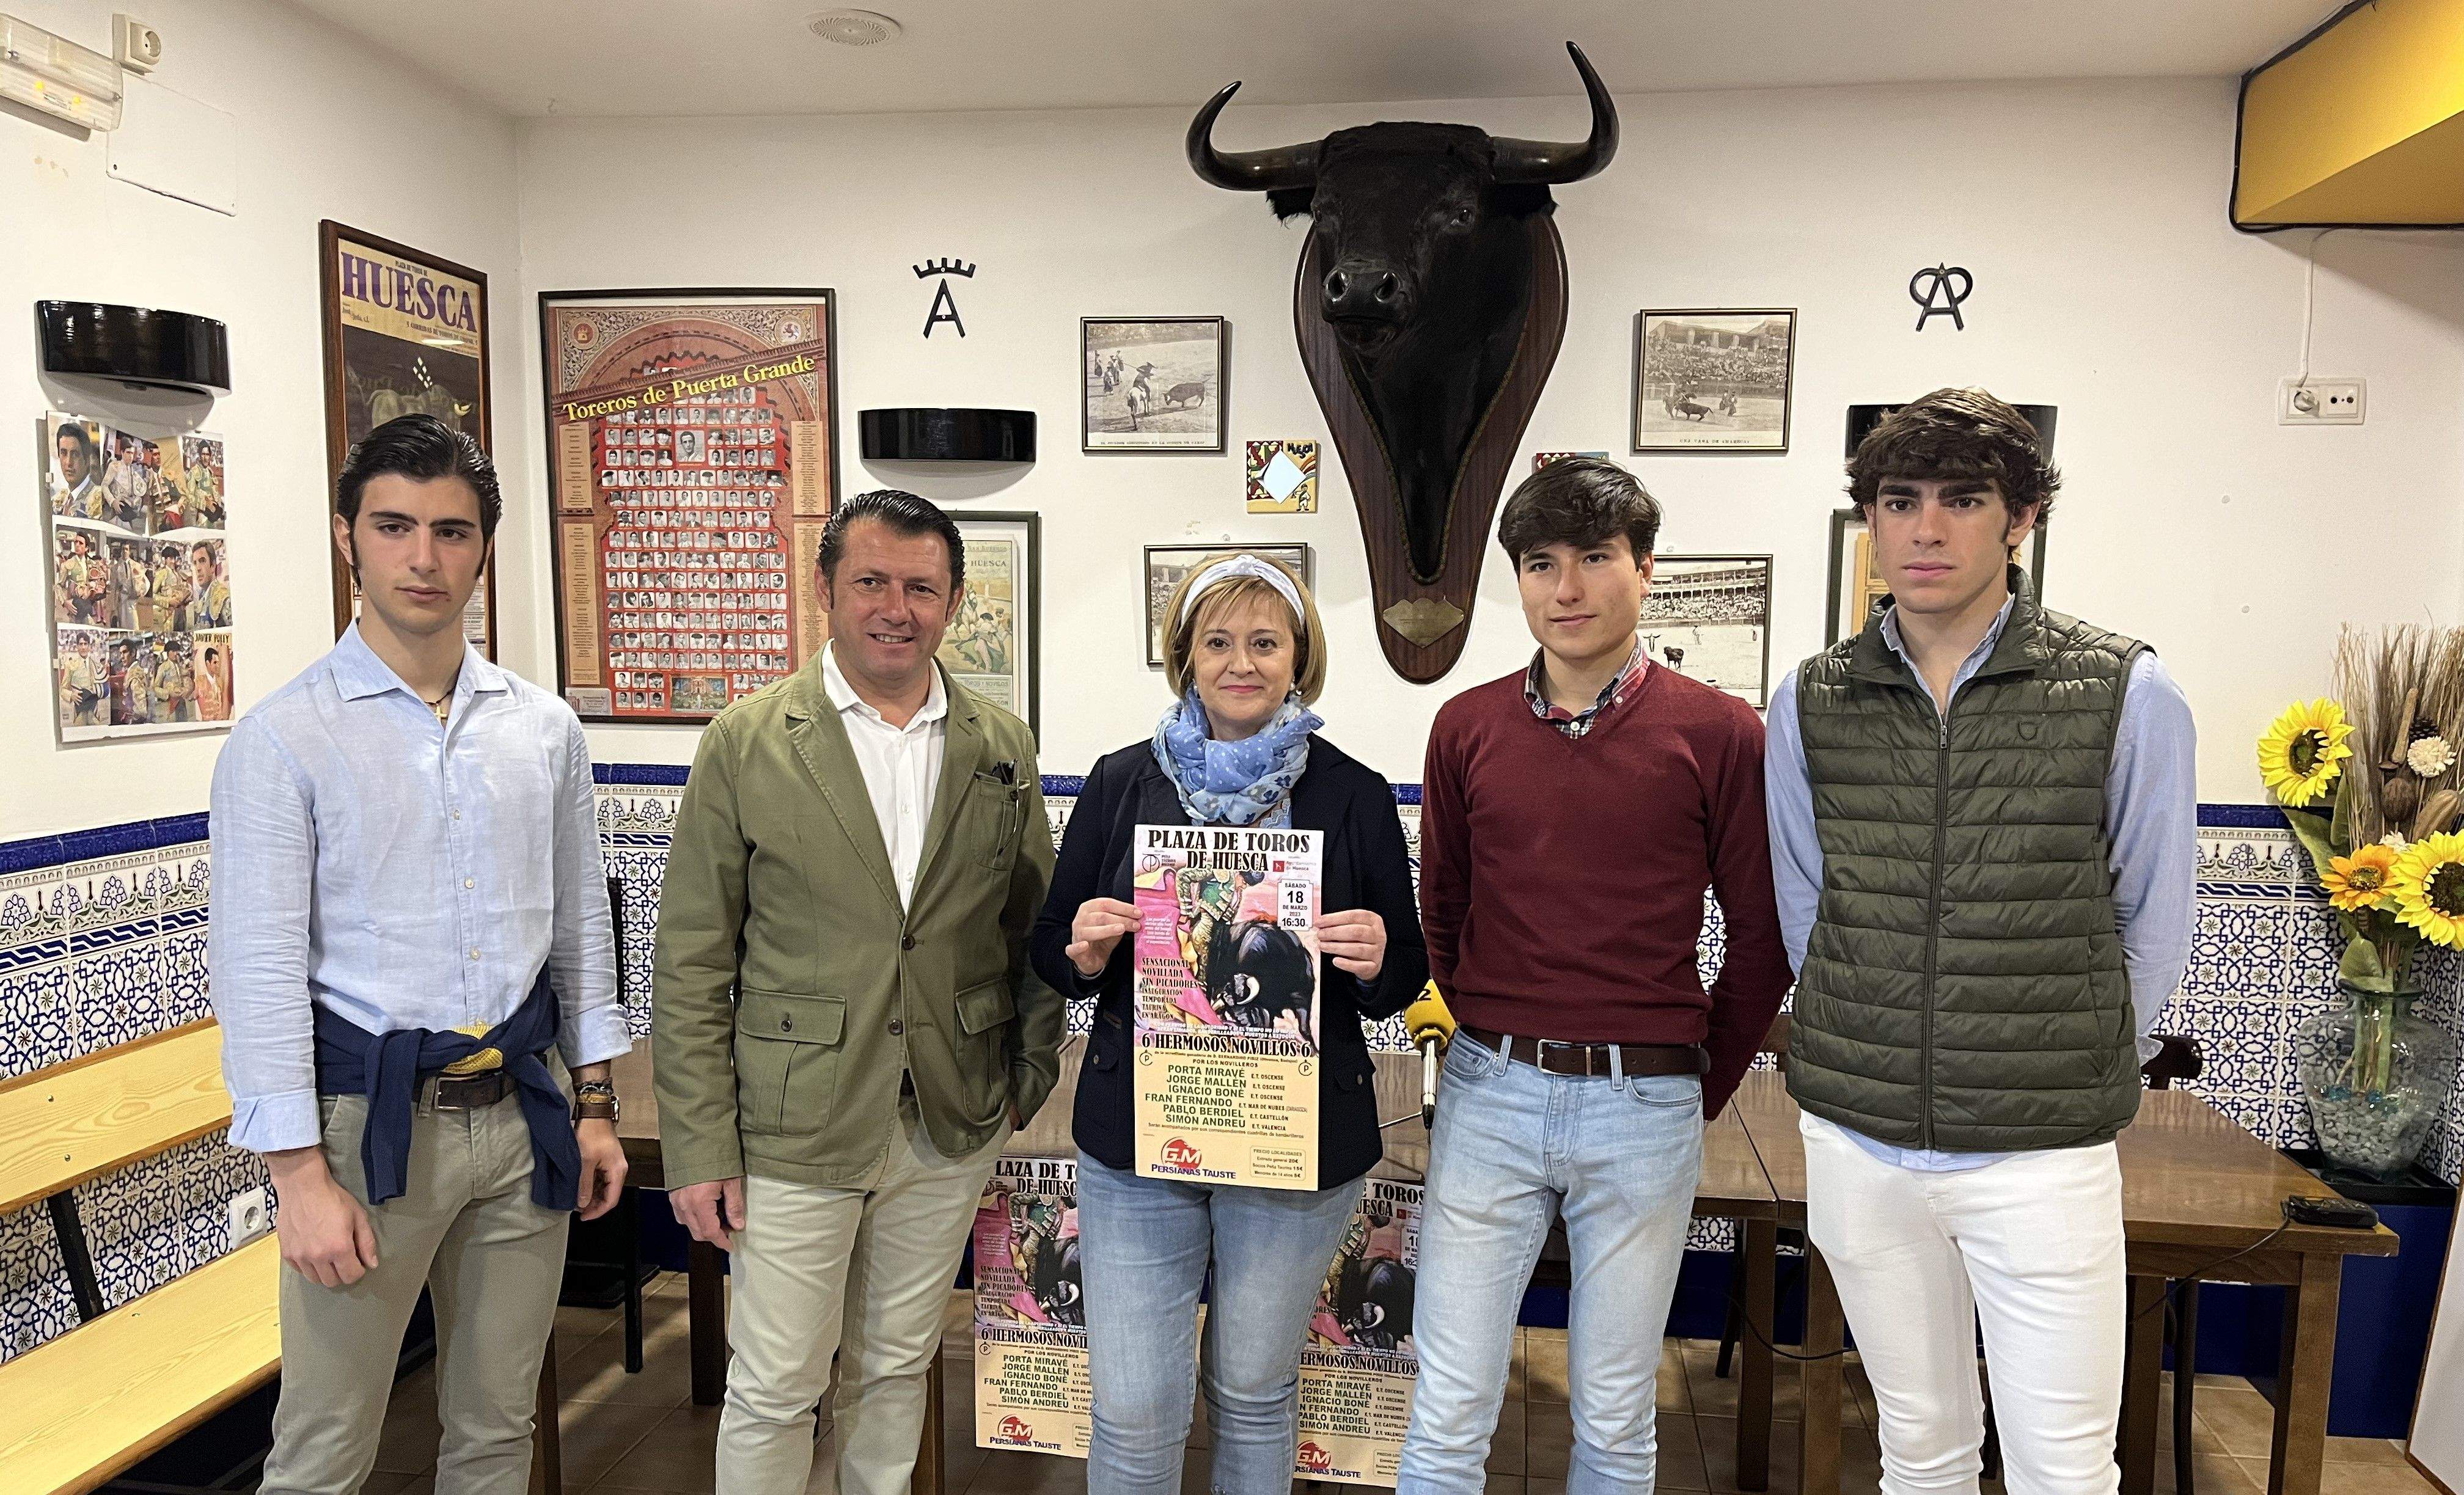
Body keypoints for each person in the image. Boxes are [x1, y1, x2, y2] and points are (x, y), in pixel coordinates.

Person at [1765, 389, 2196, 1494]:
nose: (1926, 527)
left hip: (2038, 1151)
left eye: (1963, 499)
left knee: (2061, 1467)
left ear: (2022, 518)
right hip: (1860, 1142)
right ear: (1869, 517)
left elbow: (2153, 921)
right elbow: (1808, 906)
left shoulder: (2124, 690)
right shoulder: (1812, 698)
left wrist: (2069, 1060)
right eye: (1898, 500)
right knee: (1917, 1447)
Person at [208, 414, 629, 1494]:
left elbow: (581, 930)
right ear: (348, 537)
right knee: (323, 1448)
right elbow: (255, 971)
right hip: (363, 1134)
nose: (423, 556)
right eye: (394, 526)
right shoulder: (284, 736)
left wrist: (594, 1108)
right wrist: (296, 1176)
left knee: (494, 1433)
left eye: (451, 530)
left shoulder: (541, 728)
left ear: (484, 545)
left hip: (521, 1115)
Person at [652, 488, 1063, 1495]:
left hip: (947, 1118)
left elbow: (1035, 927)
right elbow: (693, 956)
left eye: (922, 586)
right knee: (777, 1382)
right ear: (825, 589)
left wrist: (1025, 1070)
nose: (897, 606)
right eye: (871, 580)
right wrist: (699, 1143)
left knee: (894, 1366)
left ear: (954, 600)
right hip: (794, 1123)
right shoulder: (747, 741)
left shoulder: (999, 745)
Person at [1398, 458, 1793, 1494]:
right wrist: (1487, 1031)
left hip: (1644, 1101)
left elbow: (1761, 936)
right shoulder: (1467, 727)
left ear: (1643, 570)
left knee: (1617, 1416)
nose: (1565, 587)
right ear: (1517, 582)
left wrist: (1690, 1086)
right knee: (1444, 1405)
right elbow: (1441, 910)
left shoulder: (1718, 732)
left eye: (1593, 558)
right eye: (1539, 564)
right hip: (1489, 1094)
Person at [1029, 552, 1426, 1495]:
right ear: (1186, 655)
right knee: (1132, 1404)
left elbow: (1403, 972)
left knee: (1251, 1387)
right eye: (1218, 641)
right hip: (1140, 1143)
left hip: (1293, 1147)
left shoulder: (1354, 793)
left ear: (1300, 657)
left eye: (1264, 641)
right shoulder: (1124, 782)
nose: (1240, 661)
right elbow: (1050, 946)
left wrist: (1378, 956)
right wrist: (1082, 948)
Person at [51, 422, 101, 516]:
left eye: (75, 454)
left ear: (87, 460)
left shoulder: (99, 501)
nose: (68, 462)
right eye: (63, 453)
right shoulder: (57, 500)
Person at [193, 541, 232, 629]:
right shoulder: (202, 595)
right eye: (195, 563)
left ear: (213, 566)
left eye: (202, 561)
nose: (198, 568)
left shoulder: (224, 597)